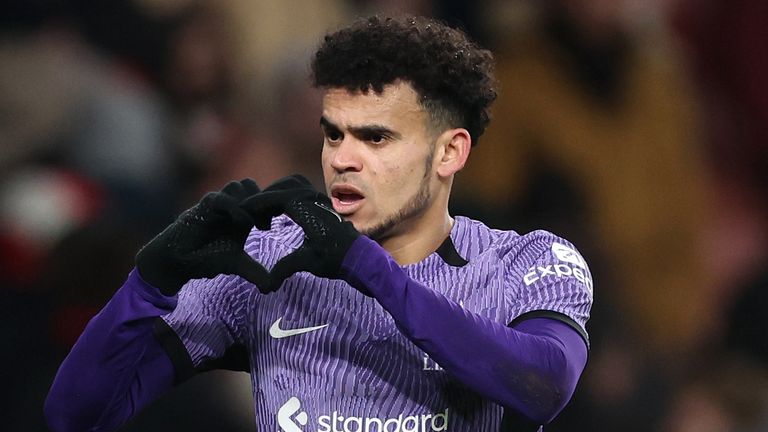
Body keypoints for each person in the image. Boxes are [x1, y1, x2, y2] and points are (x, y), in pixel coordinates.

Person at [45, 15, 592, 432]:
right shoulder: (271, 265)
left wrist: (370, 271)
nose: (342, 159)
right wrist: (148, 285)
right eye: (334, 134)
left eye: (375, 137)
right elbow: (75, 415)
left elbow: (544, 386)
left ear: (449, 152)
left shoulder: (525, 262)